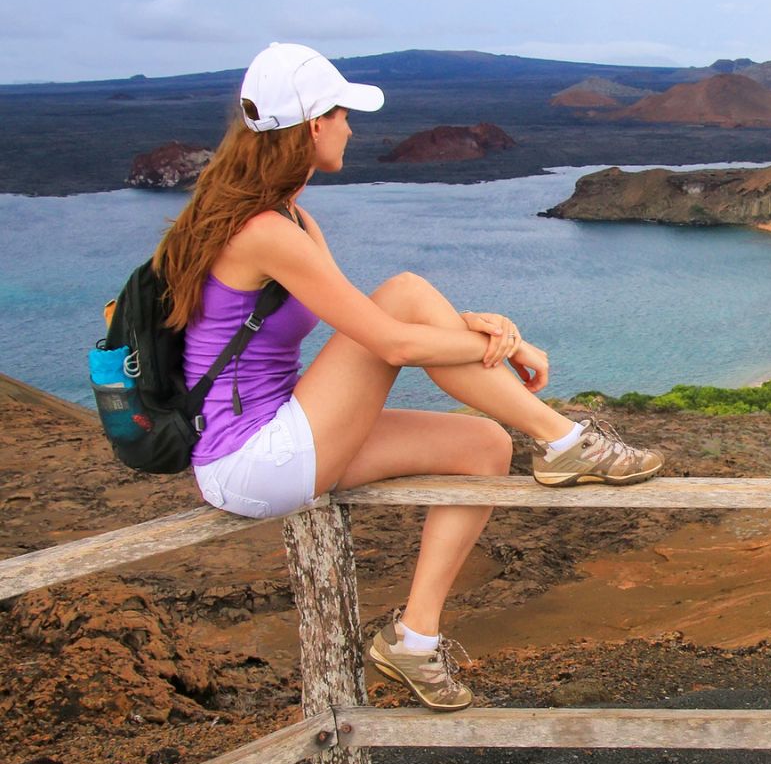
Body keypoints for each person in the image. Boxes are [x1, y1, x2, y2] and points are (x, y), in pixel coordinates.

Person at [153, 42, 663, 712]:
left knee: (483, 447)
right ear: (312, 126)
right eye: (342, 114)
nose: (351, 128)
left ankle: (414, 640)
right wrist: (500, 343)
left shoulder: (288, 218)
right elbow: (388, 337)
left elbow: (361, 318)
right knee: (406, 290)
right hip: (249, 458)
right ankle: (567, 441)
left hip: (279, 436)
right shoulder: (263, 230)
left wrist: (477, 328)